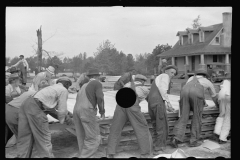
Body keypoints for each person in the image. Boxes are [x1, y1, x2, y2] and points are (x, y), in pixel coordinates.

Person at [16, 77, 74, 158]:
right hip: (36, 107)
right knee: (44, 138)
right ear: (67, 84)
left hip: (26, 104)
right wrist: (65, 120)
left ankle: (22, 156)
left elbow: (53, 107)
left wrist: (69, 114)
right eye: (68, 86)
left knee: (25, 137)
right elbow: (61, 110)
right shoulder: (63, 90)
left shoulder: (51, 88)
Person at [107, 74, 153, 158]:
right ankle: (145, 154)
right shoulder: (145, 89)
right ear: (142, 81)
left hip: (120, 106)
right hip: (132, 106)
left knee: (115, 128)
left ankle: (110, 152)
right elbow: (150, 101)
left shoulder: (126, 85)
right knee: (142, 128)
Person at [171, 69, 219, 148]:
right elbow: (213, 96)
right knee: (197, 118)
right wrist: (217, 105)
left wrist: (203, 102)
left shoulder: (190, 79)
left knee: (183, 117)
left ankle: (176, 138)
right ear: (205, 76)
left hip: (184, 93)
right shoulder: (207, 81)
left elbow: (189, 91)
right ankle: (193, 141)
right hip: (196, 95)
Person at [5, 83, 50, 148]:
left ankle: (12, 147)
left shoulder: (30, 92)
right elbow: (47, 109)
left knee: (18, 135)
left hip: (8, 109)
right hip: (17, 112)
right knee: (26, 135)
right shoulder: (38, 95)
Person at [73, 68, 105, 158]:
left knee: (82, 136)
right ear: (96, 76)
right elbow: (100, 98)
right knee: (94, 137)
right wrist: (102, 112)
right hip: (86, 111)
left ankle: (83, 154)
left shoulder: (84, 85)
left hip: (76, 111)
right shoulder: (97, 83)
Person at [147, 65, 177, 154]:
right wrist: (168, 103)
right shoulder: (165, 76)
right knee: (161, 125)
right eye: (172, 72)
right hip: (158, 102)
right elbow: (163, 89)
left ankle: (155, 145)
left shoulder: (157, 78)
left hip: (151, 103)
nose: (173, 75)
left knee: (155, 124)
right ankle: (159, 148)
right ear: (166, 71)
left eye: (174, 74)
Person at [5, 73, 24, 145]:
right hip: (8, 108)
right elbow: (7, 99)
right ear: (14, 81)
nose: (19, 82)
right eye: (18, 80)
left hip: (15, 108)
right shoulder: (7, 88)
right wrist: (16, 99)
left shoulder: (17, 88)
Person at [213, 74, 231, 144]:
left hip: (221, 95)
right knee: (228, 119)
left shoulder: (224, 81)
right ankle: (223, 138)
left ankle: (217, 132)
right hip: (229, 96)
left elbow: (220, 90)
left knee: (222, 114)